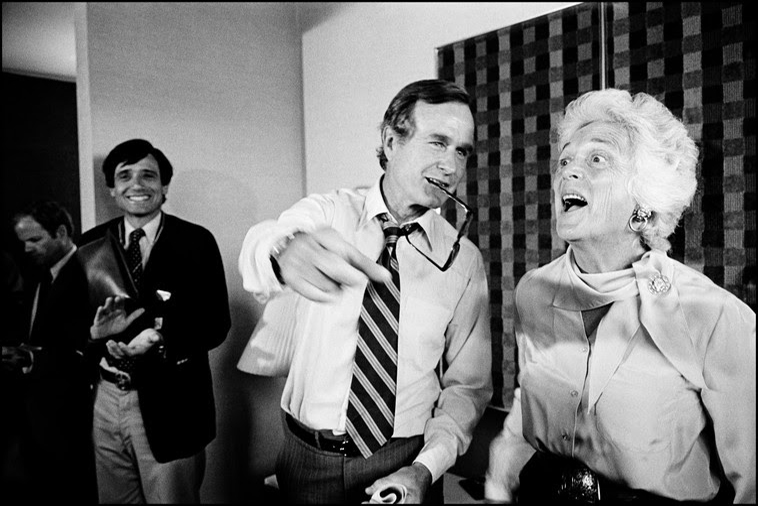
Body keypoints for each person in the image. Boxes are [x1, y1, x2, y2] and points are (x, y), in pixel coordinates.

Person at [484, 89, 756, 504]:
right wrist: (500, 483)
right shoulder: (533, 292)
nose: (568, 173)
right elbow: (529, 402)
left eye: (597, 159)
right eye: (565, 160)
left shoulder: (714, 316)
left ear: (643, 205)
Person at [239, 79, 493, 503]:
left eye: (462, 150)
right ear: (391, 141)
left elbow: (467, 389)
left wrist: (424, 469)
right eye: (438, 143)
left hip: (406, 464)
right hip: (308, 461)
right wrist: (284, 252)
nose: (451, 166)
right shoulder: (328, 214)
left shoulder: (462, 260)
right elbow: (263, 241)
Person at [78, 138, 231, 503]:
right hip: (106, 398)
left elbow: (215, 322)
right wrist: (92, 335)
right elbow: (69, 325)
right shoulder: (91, 245)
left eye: (149, 175)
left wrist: (160, 340)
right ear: (112, 189)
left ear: (164, 187)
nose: (137, 184)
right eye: (125, 175)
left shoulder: (195, 241)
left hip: (172, 403)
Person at [2, 201, 96, 503]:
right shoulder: (39, 273)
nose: (27, 249)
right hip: (37, 412)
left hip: (73, 412)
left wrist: (31, 359)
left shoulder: (90, 272)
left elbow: (89, 344)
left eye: (34, 240)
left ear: (61, 232)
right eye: (23, 242)